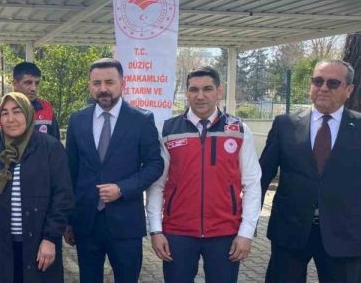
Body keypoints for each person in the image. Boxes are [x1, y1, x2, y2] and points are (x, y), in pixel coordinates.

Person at [146, 66, 262, 283]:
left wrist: (246, 232)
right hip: (178, 233)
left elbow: (252, 183)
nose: (200, 96)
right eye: (194, 89)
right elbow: (157, 185)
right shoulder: (168, 130)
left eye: (207, 89)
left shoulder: (238, 130)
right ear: (187, 93)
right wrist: (155, 230)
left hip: (225, 233)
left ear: (219, 91)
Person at [260, 59, 361, 283]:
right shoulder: (285, 124)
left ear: (349, 90)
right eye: (318, 81)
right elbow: (262, 176)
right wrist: (247, 225)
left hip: (345, 235)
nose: (323, 88)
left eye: (333, 83)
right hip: (290, 231)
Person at [65, 58, 163, 283]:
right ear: (89, 86)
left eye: (109, 82)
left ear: (122, 83)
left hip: (126, 222)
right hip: (86, 222)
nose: (103, 89)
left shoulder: (141, 120)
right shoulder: (77, 120)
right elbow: (70, 171)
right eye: (96, 83)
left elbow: (154, 164)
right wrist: (68, 220)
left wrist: (122, 188)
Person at [0, 92, 74, 283]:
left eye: (17, 111)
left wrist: (50, 238)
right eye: (4, 113)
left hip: (39, 244)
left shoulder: (50, 148)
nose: (10, 118)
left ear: (28, 114)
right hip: (2, 245)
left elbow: (63, 197)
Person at [0, 62, 59, 160]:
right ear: (15, 84)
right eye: (28, 83)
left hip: (41, 167)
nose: (33, 88)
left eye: (37, 83)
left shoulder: (47, 110)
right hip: (6, 167)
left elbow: (56, 149)